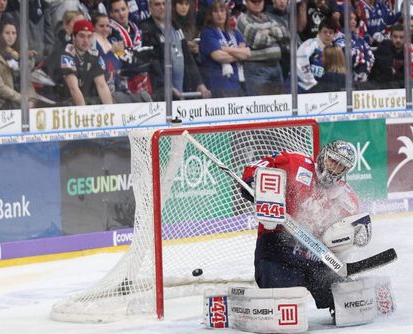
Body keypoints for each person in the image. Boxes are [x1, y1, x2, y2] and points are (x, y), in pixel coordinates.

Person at [240, 140, 371, 315]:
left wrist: (358, 232)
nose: (334, 168)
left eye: (341, 166)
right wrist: (253, 182)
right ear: (324, 155)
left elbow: (350, 230)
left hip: (316, 256)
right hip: (276, 249)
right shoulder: (293, 162)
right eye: (333, 161)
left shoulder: (347, 198)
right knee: (282, 303)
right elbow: (254, 169)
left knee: (349, 300)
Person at [141, 0, 211, 101]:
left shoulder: (175, 26)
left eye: (164, 4)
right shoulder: (146, 28)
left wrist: (199, 83)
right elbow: (153, 64)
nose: (162, 7)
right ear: (150, 7)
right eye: (157, 4)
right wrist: (168, 87)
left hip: (182, 90)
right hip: (161, 94)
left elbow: (188, 57)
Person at [0, 19, 41, 110]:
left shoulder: (18, 55)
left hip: (21, 108)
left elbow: (27, 82)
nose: (11, 36)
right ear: (0, 35)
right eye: (7, 33)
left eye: (14, 33)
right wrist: (21, 99)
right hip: (0, 109)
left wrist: (31, 100)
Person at [55, 19, 113, 105]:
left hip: (82, 100)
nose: (86, 40)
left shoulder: (94, 54)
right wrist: (84, 114)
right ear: (73, 37)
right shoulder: (66, 53)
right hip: (58, 100)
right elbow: (73, 88)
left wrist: (110, 113)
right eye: (81, 36)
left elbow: (102, 85)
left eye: (89, 36)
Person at [236, 0, 288, 95]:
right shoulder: (243, 19)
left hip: (276, 66)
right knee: (260, 105)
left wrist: (267, 32)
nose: (257, 3)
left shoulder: (268, 18)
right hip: (256, 68)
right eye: (253, 1)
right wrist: (275, 36)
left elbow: (285, 33)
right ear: (246, 2)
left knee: (280, 105)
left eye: (259, 1)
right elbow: (258, 40)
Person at [200, 0, 250, 98]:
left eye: (222, 10)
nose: (219, 14)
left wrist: (225, 49)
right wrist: (239, 53)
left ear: (227, 13)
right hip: (218, 85)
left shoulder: (234, 33)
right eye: (215, 11)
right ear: (210, 14)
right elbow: (219, 56)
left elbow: (247, 53)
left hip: (237, 83)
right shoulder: (207, 33)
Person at [296, 15, 336, 92]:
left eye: (330, 32)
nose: (328, 35)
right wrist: (313, 84)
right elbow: (300, 64)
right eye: (325, 32)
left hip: (322, 90)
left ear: (334, 35)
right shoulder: (309, 44)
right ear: (319, 32)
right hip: (302, 90)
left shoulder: (334, 50)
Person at [333, 11, 374, 85]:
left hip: (363, 79)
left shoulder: (360, 38)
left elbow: (371, 56)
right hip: (344, 81)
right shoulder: (338, 37)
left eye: (355, 20)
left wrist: (363, 69)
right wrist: (362, 57)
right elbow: (347, 57)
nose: (353, 22)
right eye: (350, 19)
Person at [369, 23, 404, 89]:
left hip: (398, 87)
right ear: (390, 37)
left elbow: (405, 76)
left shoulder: (406, 53)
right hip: (379, 86)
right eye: (395, 37)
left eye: (401, 37)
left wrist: (395, 72)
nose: (398, 40)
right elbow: (383, 71)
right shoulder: (384, 47)